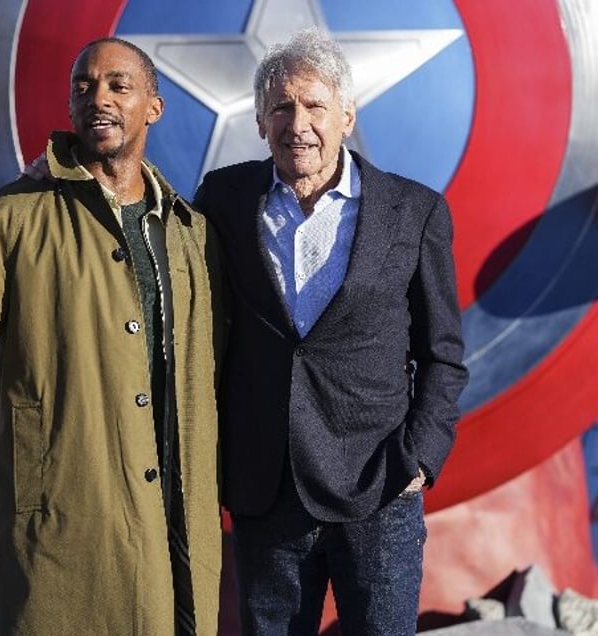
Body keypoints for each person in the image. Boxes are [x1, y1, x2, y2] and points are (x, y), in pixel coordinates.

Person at [0, 38, 223, 635]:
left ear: (153, 107)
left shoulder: (187, 232)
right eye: (83, 86)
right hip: (63, 520)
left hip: (177, 522)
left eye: (119, 86)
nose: (99, 98)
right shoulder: (11, 217)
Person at [194, 27, 469, 636]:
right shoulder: (223, 200)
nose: (298, 123)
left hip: (379, 491)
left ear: (346, 115)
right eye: (281, 107)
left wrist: (421, 458)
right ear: (261, 121)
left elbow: (442, 353)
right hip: (266, 494)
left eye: (315, 105)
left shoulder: (414, 211)